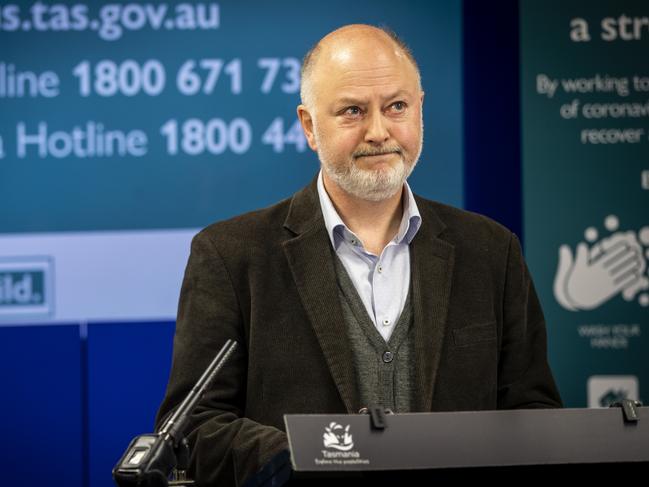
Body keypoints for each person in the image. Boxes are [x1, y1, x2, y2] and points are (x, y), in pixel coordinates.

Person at [156, 24, 562, 486]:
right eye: (352, 111)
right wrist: (312, 453)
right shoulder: (230, 256)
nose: (378, 131)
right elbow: (194, 428)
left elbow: (536, 417)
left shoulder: (492, 252)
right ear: (309, 126)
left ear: (420, 110)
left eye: (397, 107)